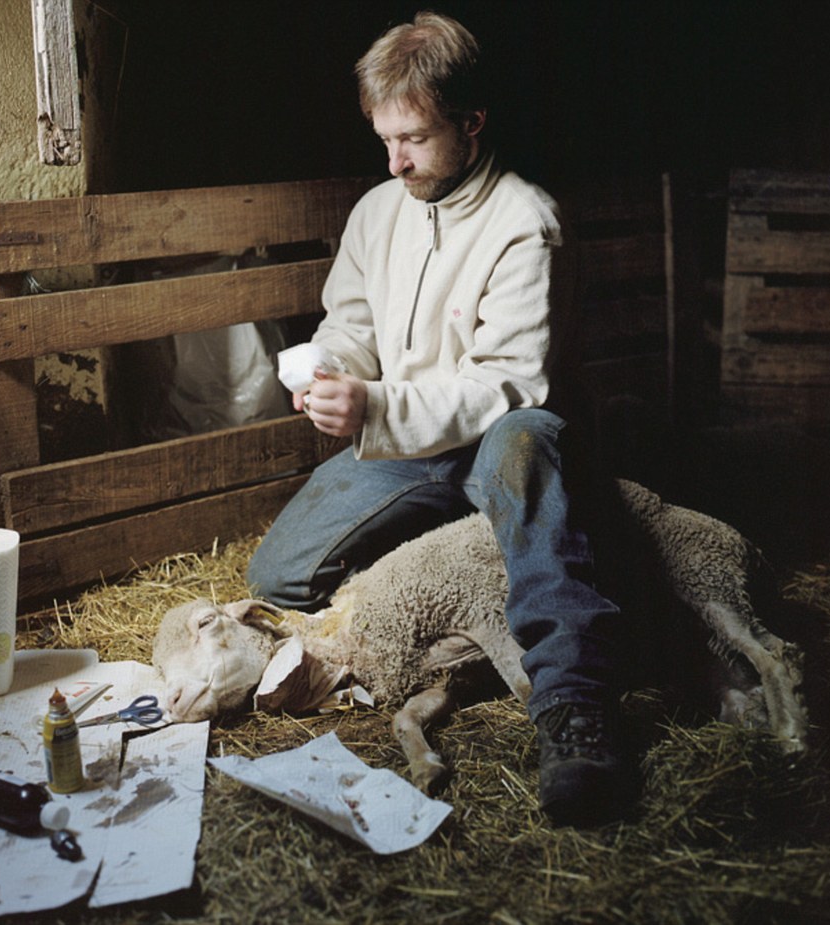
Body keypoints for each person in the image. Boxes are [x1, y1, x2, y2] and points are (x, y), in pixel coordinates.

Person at [248, 11, 630, 827]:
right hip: (411, 444)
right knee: (276, 576)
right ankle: (480, 571)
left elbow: (510, 384)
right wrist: (332, 371)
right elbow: (350, 321)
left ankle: (575, 708)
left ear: (472, 122)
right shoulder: (379, 211)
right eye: (384, 138)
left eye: (415, 138)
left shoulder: (527, 223)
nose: (395, 160)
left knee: (526, 442)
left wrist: (376, 406)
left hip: (503, 437)